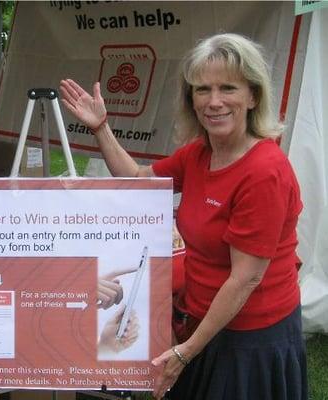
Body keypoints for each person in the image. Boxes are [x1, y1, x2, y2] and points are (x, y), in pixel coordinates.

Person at [60, 32, 307, 400]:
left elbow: (245, 279)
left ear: (253, 96)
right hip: (202, 322)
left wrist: (183, 353)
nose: (214, 101)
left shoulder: (264, 171)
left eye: (228, 88)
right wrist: (100, 128)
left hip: (250, 337)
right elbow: (138, 180)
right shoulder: (199, 154)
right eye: (202, 89)